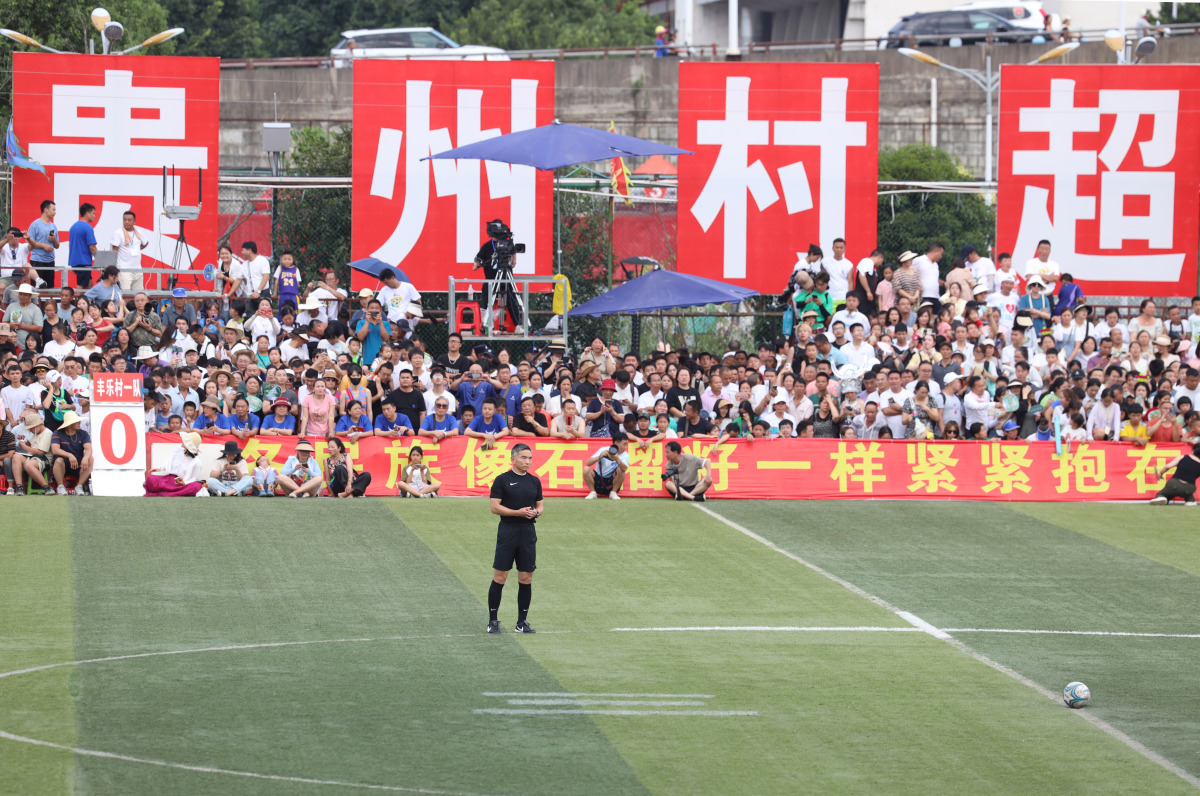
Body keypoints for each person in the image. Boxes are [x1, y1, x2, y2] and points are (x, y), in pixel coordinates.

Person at [486, 442, 544, 634]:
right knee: (500, 577)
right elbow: (495, 507)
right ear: (513, 459)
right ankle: (493, 621)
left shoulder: (534, 481)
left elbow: (540, 506)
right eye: (523, 457)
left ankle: (522, 622)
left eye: (530, 458)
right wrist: (517, 513)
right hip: (508, 532)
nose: (527, 462)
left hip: (527, 534)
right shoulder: (502, 480)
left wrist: (535, 513)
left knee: (526, 578)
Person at [144, 431, 207, 497]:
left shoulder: (197, 462)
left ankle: (169, 492)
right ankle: (172, 492)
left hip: (181, 484)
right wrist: (159, 468)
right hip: (168, 480)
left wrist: (184, 482)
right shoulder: (178, 452)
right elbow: (168, 462)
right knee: (151, 479)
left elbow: (195, 478)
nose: (182, 441)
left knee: (196, 486)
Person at [49, 410, 92, 494]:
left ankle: (79, 486)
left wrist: (86, 458)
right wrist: (69, 455)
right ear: (69, 424)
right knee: (58, 460)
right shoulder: (57, 433)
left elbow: (89, 448)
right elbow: (55, 449)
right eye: (76, 421)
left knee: (91, 459)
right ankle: (60, 486)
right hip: (64, 464)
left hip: (79, 463)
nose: (79, 423)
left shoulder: (83, 433)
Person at [110, 210, 150, 292]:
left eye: (129, 220)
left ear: (134, 221)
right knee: (126, 294)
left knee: (138, 294)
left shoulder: (138, 232)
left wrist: (138, 249)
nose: (126, 222)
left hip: (137, 269)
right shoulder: (118, 233)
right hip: (124, 269)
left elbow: (146, 242)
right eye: (124, 220)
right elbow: (114, 251)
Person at [584, 432, 629, 500]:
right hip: (599, 479)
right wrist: (600, 456)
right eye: (624, 444)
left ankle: (613, 493)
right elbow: (588, 463)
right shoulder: (604, 450)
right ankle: (593, 492)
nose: (625, 447)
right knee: (586, 469)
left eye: (626, 444)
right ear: (616, 443)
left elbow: (624, 469)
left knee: (621, 470)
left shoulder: (625, 455)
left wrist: (617, 459)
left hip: (612, 481)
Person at [28, 200, 59, 288]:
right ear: (46, 210)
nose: (55, 212)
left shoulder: (53, 226)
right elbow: (29, 243)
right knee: (36, 288)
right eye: (53, 210)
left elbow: (57, 246)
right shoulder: (35, 225)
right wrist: (43, 245)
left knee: (49, 288)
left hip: (50, 261)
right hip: (37, 261)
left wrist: (54, 240)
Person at [66, 203, 98, 289]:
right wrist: (100, 260)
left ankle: (86, 302)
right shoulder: (88, 228)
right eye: (93, 213)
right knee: (82, 286)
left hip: (76, 262)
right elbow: (92, 247)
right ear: (87, 213)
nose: (95, 216)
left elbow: (70, 245)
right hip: (83, 261)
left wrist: (73, 263)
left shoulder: (73, 227)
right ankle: (79, 302)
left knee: (89, 284)